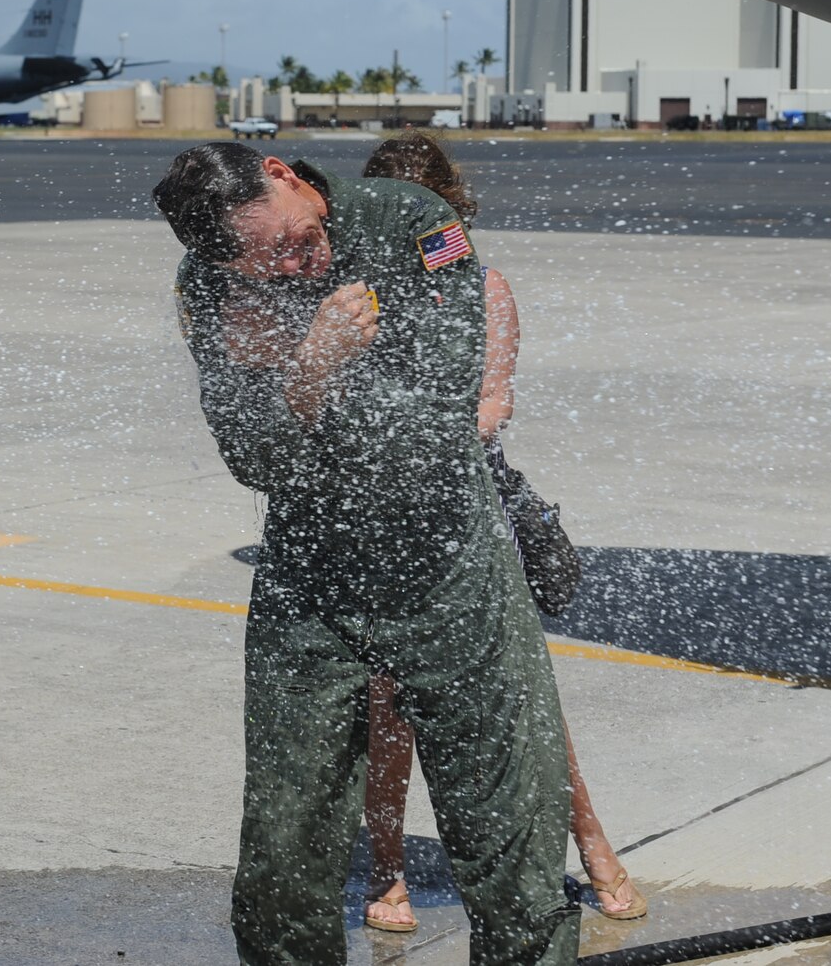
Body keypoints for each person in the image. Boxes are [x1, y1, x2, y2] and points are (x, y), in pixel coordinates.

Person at [155, 142, 580, 966]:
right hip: (312, 572)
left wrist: (293, 382)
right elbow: (255, 461)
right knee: (286, 833)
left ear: (281, 173)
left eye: (282, 242)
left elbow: (437, 413)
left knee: (508, 827)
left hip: (447, 563)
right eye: (261, 265)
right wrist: (312, 365)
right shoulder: (211, 279)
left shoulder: (412, 222)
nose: (282, 269)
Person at [354, 133, 646, 931]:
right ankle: (386, 872)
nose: (414, 241)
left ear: (451, 213)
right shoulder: (351, 295)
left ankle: (592, 844)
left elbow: (494, 403)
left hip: (468, 510)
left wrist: (422, 441)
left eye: (429, 222)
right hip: (381, 519)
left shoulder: (481, 286)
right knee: (389, 705)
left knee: (522, 693)